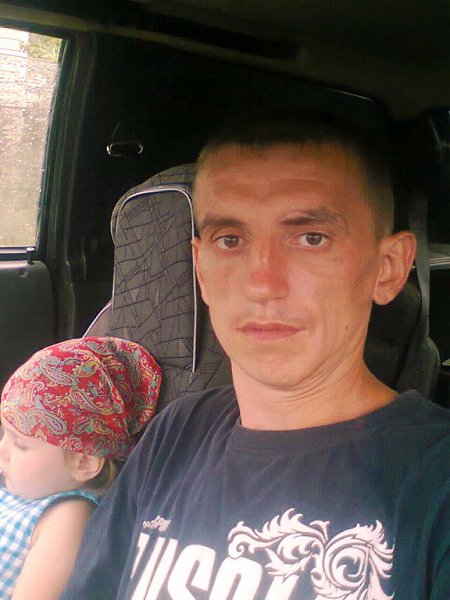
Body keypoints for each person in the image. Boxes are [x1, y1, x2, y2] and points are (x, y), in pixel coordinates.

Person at [62, 110, 450, 600]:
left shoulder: (435, 481)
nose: (262, 283)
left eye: (311, 238)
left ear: (388, 268)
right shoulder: (176, 433)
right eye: (231, 240)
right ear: (200, 268)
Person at [0, 336, 161, 600]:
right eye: (4, 434)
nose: (2, 451)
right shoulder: (14, 486)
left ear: (83, 463)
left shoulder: (65, 515)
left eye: (21, 445)